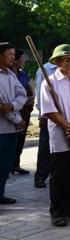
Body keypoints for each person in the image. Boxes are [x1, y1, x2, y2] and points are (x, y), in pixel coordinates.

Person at [40, 44, 70, 227]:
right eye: (65, 58)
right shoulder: (50, 83)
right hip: (61, 136)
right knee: (59, 175)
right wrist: (68, 127)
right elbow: (50, 111)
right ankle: (57, 211)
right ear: (57, 61)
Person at [0, 42, 27, 204]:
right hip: (3, 128)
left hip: (11, 129)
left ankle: (1, 194)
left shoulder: (11, 75)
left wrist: (13, 106)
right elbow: (2, 107)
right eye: (9, 54)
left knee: (6, 164)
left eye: (13, 54)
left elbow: (22, 95)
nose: (13, 57)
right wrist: (18, 119)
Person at [34, 41, 62, 188]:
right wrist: (42, 115)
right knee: (45, 148)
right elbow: (40, 93)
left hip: (64, 116)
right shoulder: (45, 70)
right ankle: (40, 177)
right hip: (48, 115)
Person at [11, 49, 34, 175]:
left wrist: (30, 98)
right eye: (22, 59)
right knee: (11, 140)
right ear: (15, 61)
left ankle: (15, 164)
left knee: (21, 139)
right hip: (13, 112)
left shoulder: (23, 74)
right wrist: (24, 100)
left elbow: (30, 89)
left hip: (25, 112)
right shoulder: (8, 75)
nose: (24, 61)